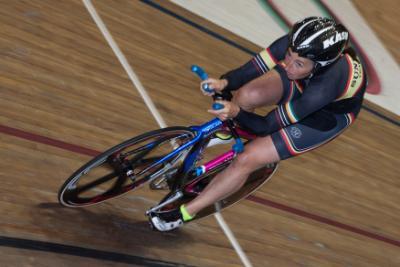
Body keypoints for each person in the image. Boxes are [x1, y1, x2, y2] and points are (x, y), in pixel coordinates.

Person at [149, 16, 367, 231]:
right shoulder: (301, 45)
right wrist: (223, 82)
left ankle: (186, 212)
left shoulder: (327, 84)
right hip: (305, 82)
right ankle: (224, 134)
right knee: (247, 95)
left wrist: (235, 112)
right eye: (288, 55)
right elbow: (252, 68)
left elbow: (266, 126)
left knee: (247, 158)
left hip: (323, 117)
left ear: (320, 65)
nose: (288, 65)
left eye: (298, 63)